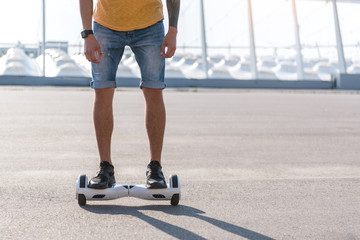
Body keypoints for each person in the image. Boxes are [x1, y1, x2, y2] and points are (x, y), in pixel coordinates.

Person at [79, 0, 180, 189]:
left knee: (154, 92)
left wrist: (173, 30)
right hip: (105, 25)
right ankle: (105, 168)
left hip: (150, 25)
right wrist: (87, 34)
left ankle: (155, 167)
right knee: (102, 92)